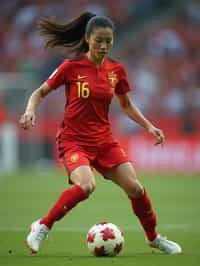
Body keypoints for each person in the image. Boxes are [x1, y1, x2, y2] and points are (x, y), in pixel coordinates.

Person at [20, 12, 182, 255]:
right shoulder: (71, 67)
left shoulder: (116, 70)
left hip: (104, 141)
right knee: (86, 186)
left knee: (136, 189)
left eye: (109, 40)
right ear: (87, 38)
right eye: (99, 41)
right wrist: (30, 111)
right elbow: (39, 92)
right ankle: (42, 226)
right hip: (74, 140)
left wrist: (149, 126)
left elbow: (126, 105)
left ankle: (154, 237)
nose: (104, 46)